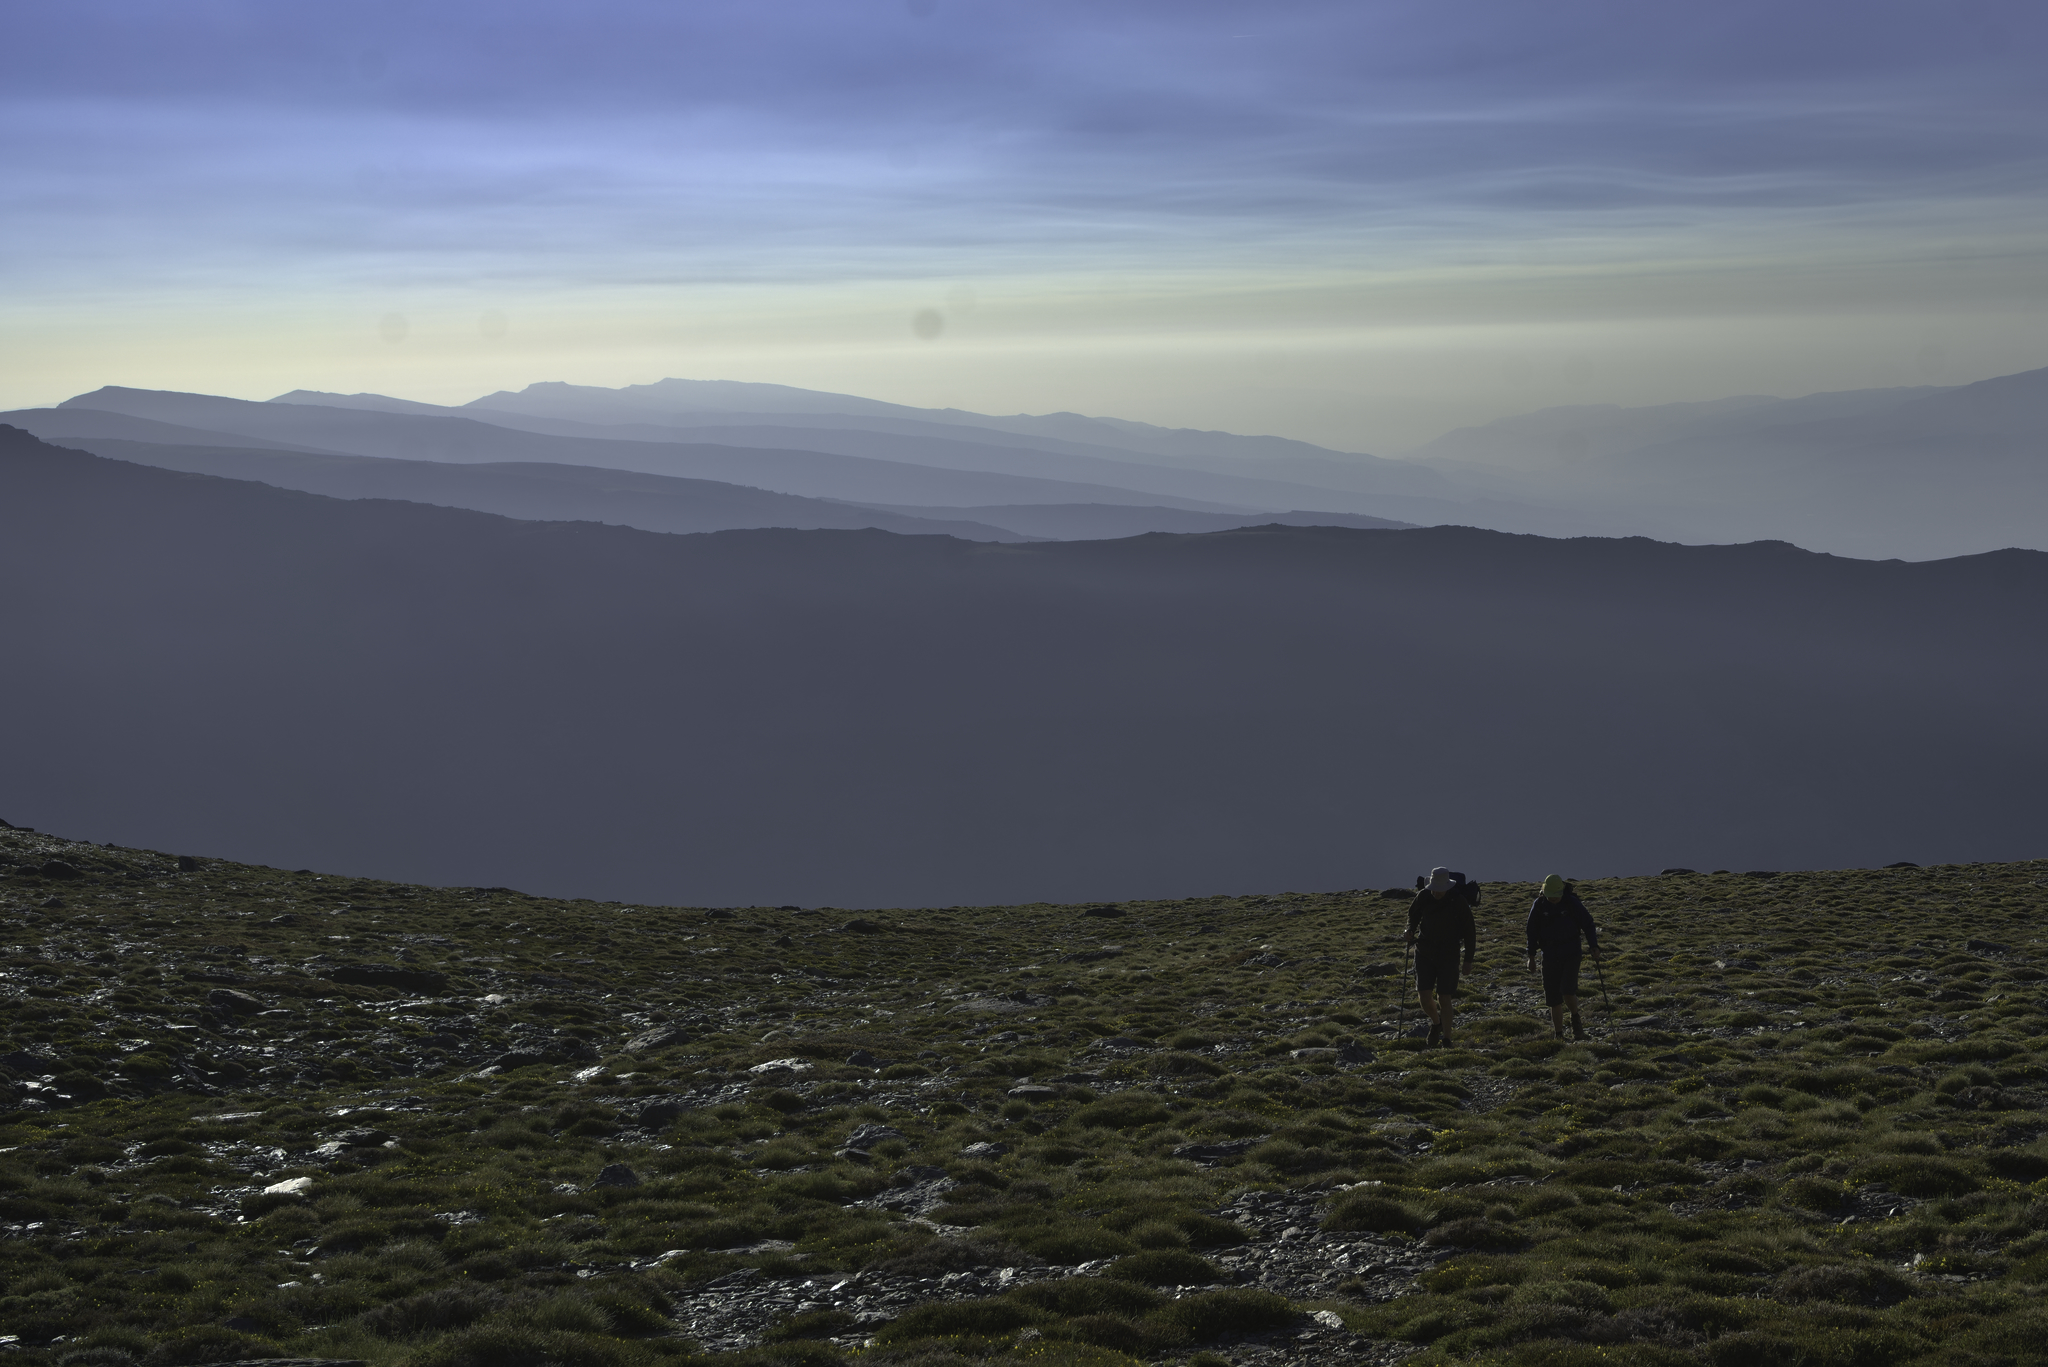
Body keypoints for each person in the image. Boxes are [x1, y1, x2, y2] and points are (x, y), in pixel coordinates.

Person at [1405, 866, 1476, 1047]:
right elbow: (1413, 915)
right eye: (1434, 888)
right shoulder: (1423, 896)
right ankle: (1436, 1024)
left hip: (1449, 954)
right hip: (1424, 952)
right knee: (1424, 996)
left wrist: (1468, 960)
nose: (1436, 892)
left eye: (1440, 889)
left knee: (1444, 997)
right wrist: (1410, 929)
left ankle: (1447, 1039)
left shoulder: (1458, 901)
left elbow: (1469, 931)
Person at [1525, 874, 1600, 1040]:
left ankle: (1575, 1020)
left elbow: (1588, 924)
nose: (1553, 899)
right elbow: (1531, 931)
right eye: (1550, 896)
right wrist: (1531, 956)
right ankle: (1558, 1035)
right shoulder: (1539, 905)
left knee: (1567, 990)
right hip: (1549, 955)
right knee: (1553, 997)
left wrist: (1593, 946)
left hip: (1571, 953)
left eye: (1556, 896)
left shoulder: (1571, 903)